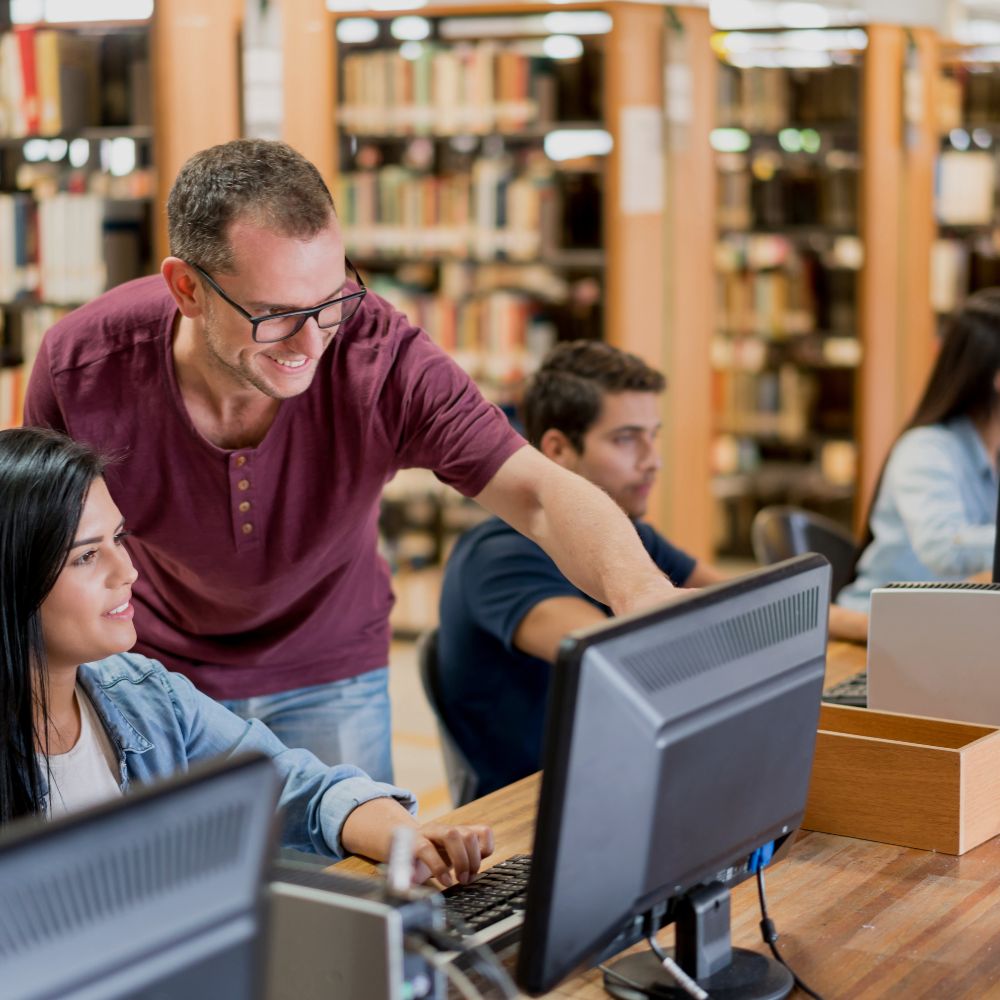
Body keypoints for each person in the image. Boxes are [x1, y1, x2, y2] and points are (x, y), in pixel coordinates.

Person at [23, 139, 677, 783]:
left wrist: (642, 595)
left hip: (332, 672)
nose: (312, 343)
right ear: (188, 288)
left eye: (332, 299)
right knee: (189, 888)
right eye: (275, 314)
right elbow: (38, 554)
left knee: (352, 883)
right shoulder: (80, 366)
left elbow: (537, 492)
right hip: (160, 673)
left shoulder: (382, 355)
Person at [0, 426, 491, 883]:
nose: (126, 570)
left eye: (120, 538)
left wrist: (401, 833)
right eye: (87, 556)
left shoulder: (143, 694)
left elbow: (294, 786)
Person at [437, 341, 869, 797]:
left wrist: (871, 626)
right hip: (537, 806)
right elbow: (623, 661)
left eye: (653, 435)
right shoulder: (499, 556)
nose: (652, 460)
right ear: (558, 450)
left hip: (638, 772)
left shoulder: (626, 536)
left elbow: (739, 594)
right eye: (626, 438)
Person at [838, 289, 1000, 610]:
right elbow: (943, 548)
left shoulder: (992, 451)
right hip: (879, 627)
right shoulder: (925, 451)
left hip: (950, 622)